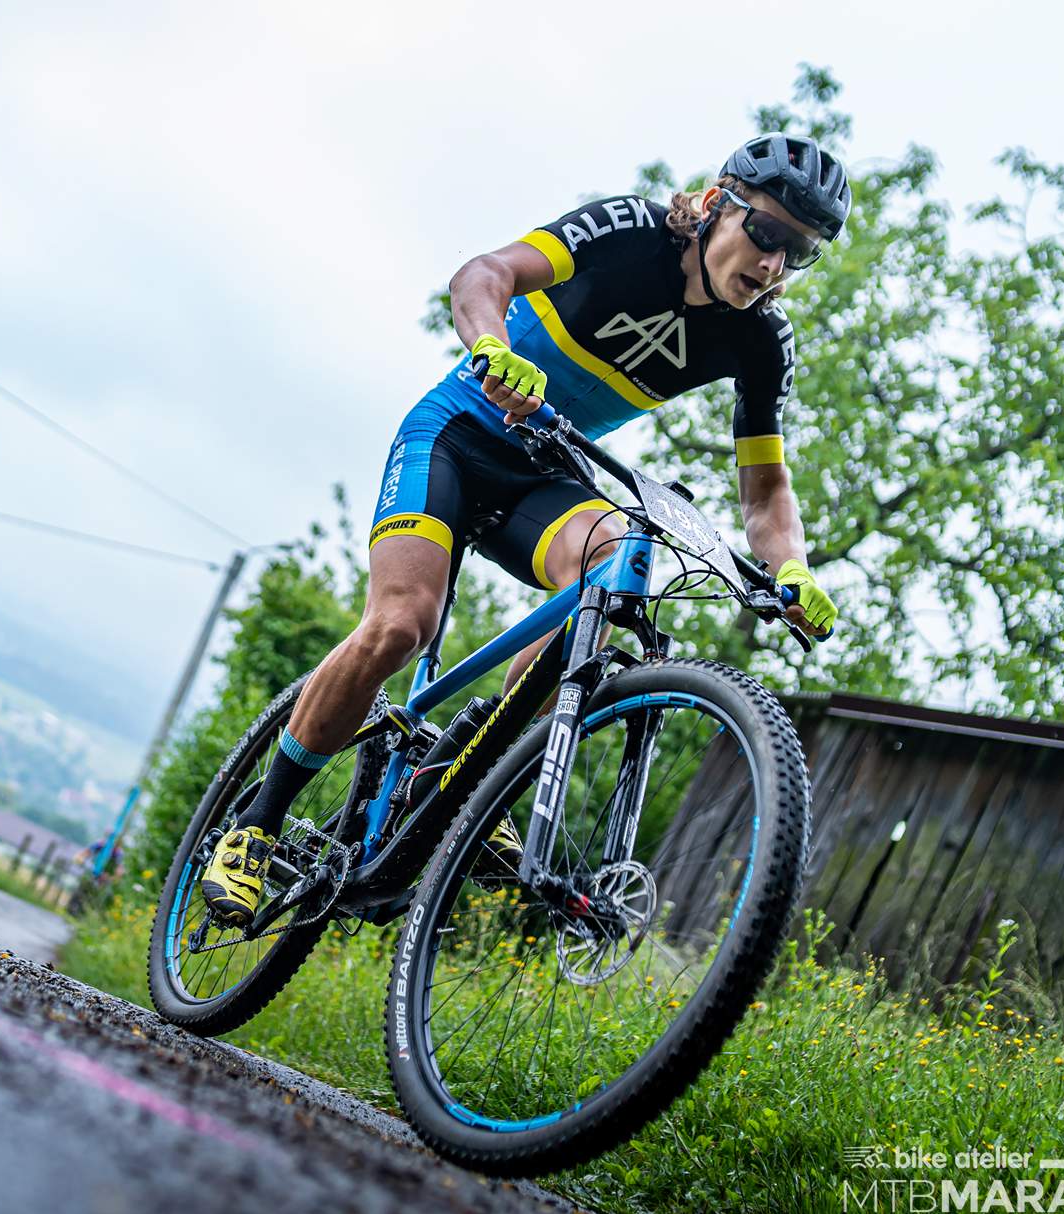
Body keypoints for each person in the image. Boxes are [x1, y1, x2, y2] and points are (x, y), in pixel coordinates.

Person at [200, 133, 849, 926]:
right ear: (716, 203)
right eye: (768, 233)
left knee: (621, 556)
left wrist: (791, 569)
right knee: (401, 625)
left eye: (799, 254)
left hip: (543, 476)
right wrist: (491, 345)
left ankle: (477, 764)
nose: (774, 264)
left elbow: (766, 488)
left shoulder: (760, 340)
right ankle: (256, 825)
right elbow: (484, 275)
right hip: (457, 437)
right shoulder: (630, 230)